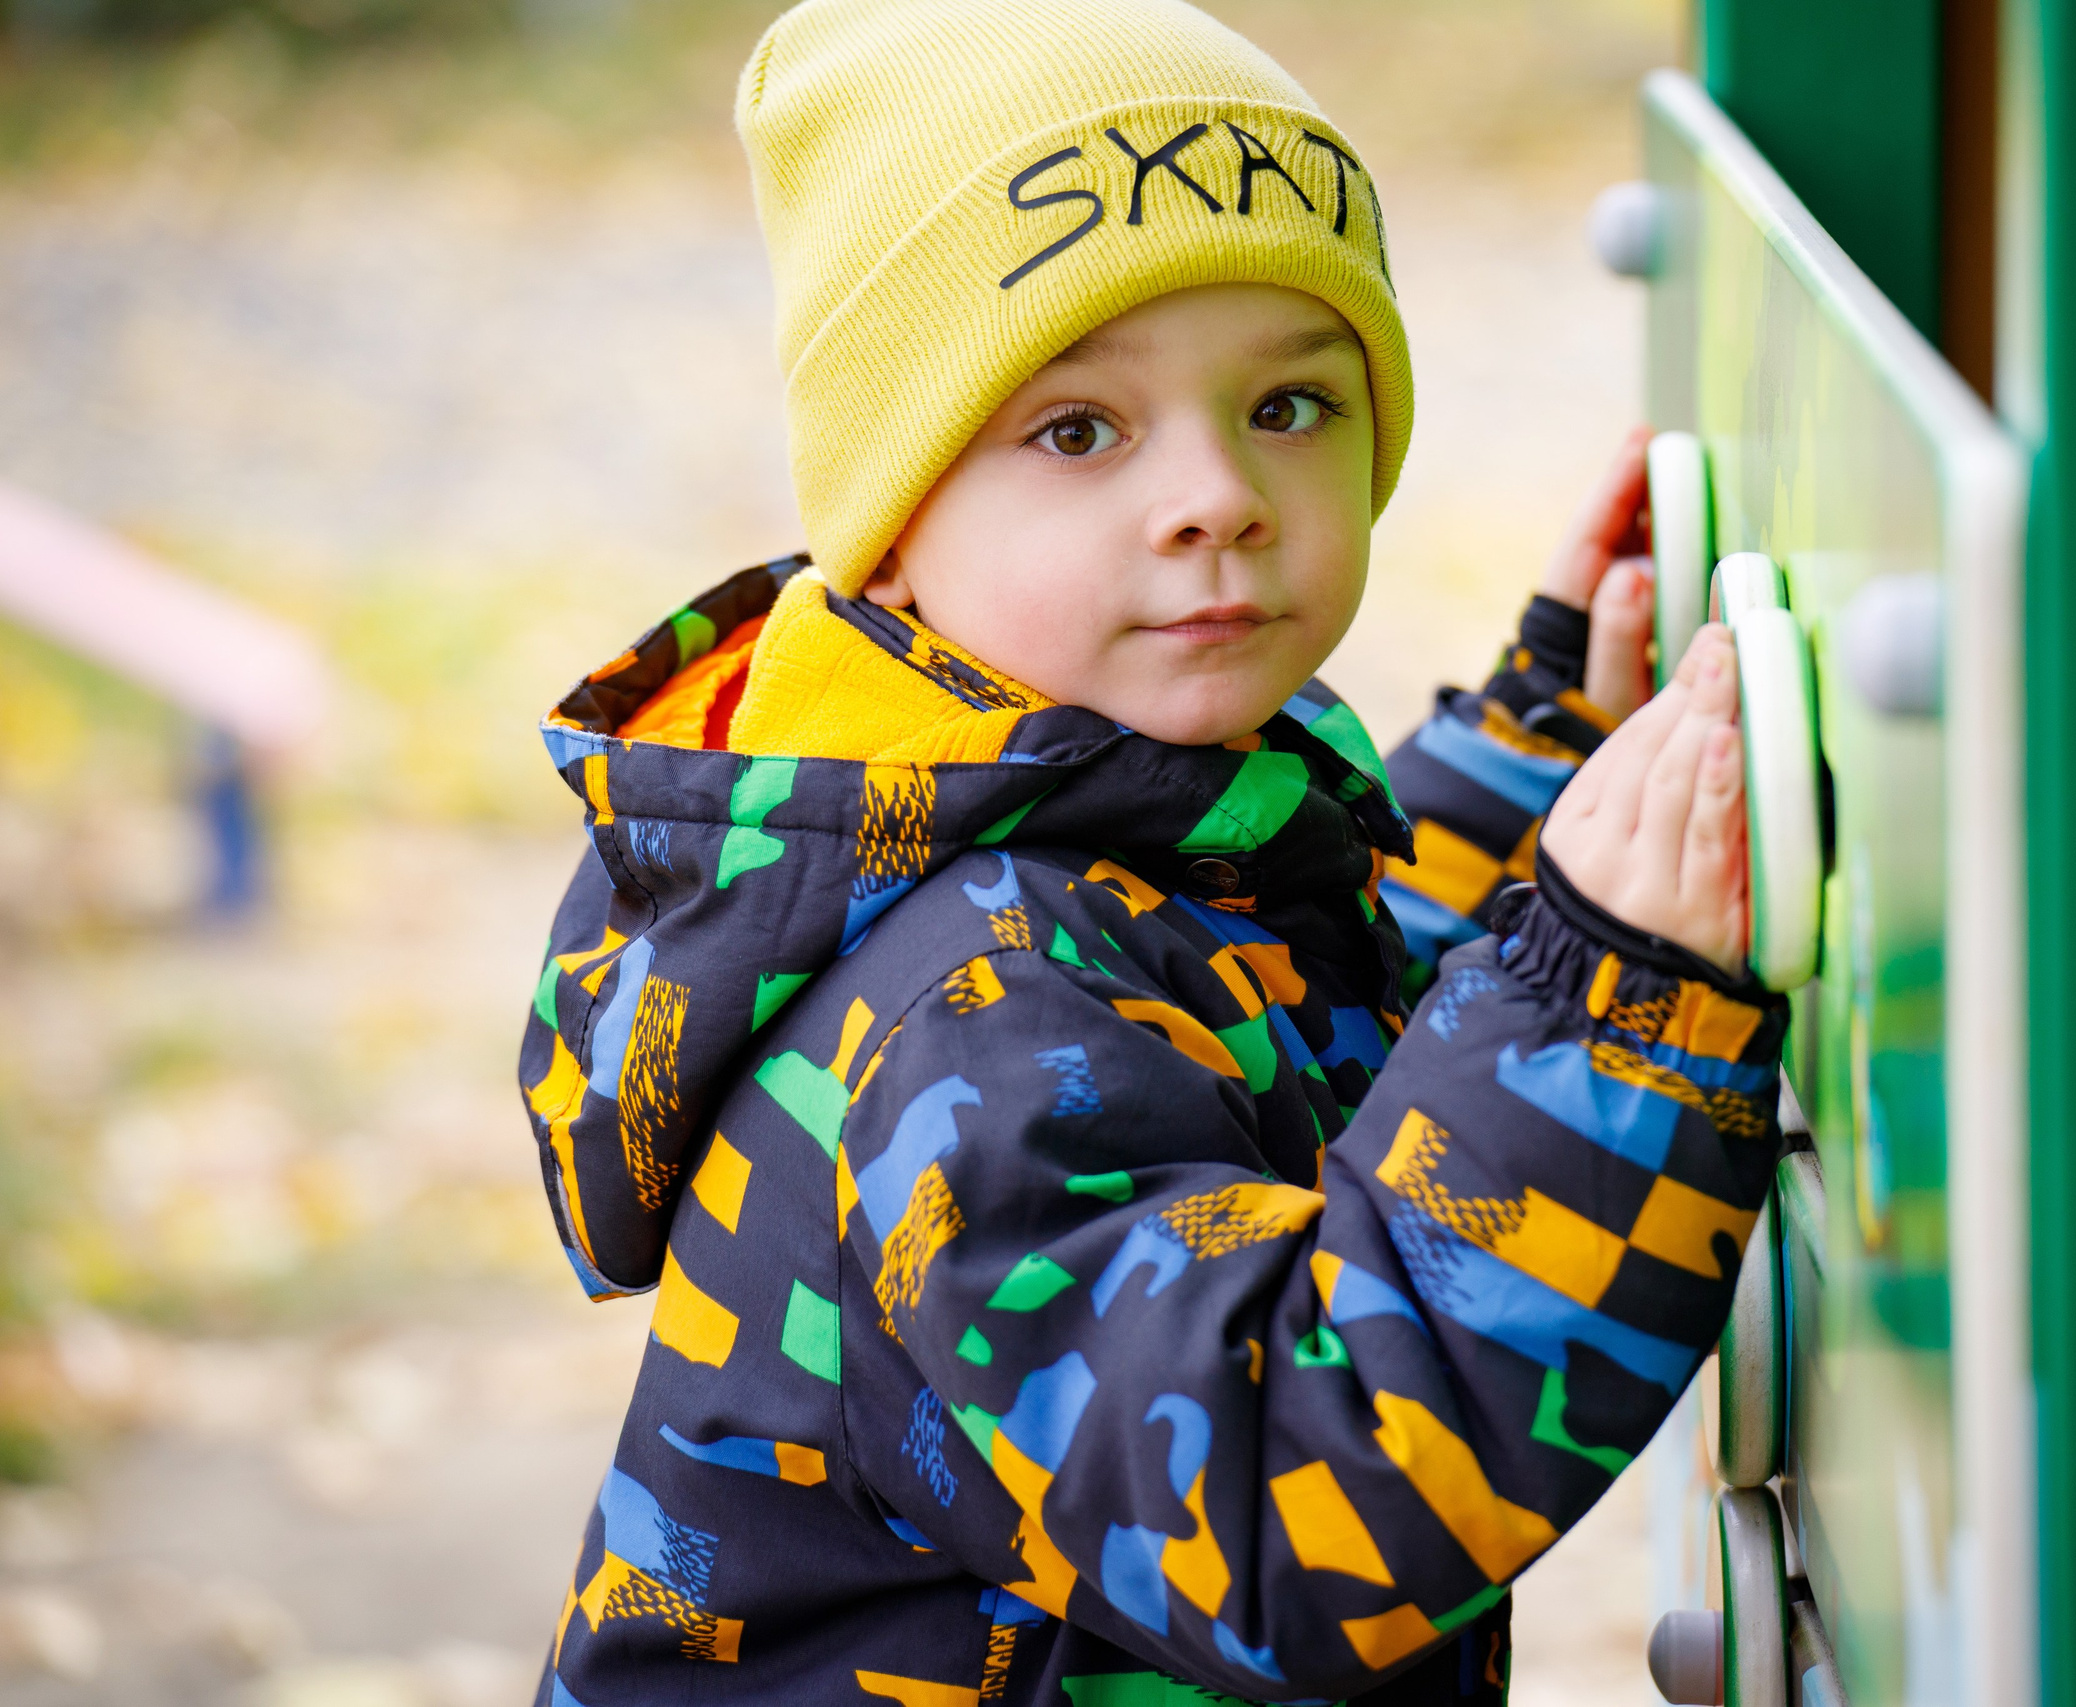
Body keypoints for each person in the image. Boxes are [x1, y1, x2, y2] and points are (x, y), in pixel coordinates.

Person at [519, 2, 1780, 1701]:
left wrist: (1539, 745)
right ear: (889, 537)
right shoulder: (968, 1016)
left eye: (1291, 402)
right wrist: (1609, 1010)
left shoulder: (1082, 802)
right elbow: (1284, 1502)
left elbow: (1268, 988)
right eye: (1078, 430)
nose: (1219, 495)